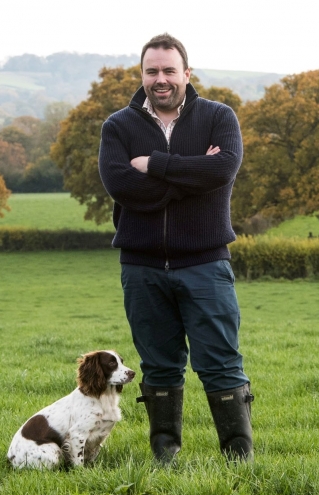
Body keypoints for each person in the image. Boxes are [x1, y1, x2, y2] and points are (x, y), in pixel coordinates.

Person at [98, 33, 253, 463]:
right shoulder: (118, 126)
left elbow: (222, 169)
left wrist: (157, 166)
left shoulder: (219, 117)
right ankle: (164, 456)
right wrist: (190, 177)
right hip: (142, 268)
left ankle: (238, 460)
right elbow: (122, 186)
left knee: (221, 362)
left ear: (187, 73)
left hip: (205, 264)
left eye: (169, 70)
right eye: (152, 71)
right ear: (142, 75)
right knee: (160, 366)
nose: (160, 79)